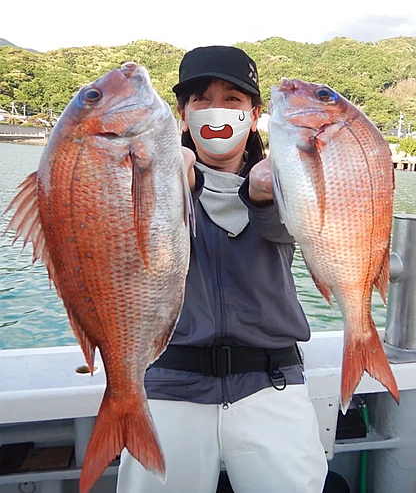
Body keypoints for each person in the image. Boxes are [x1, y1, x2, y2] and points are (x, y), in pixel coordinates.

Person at [116, 45, 328, 493]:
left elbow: (291, 232)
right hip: (169, 381)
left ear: (253, 114)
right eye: (201, 99)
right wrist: (173, 193)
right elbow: (116, 255)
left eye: (232, 99)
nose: (217, 110)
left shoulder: (287, 178)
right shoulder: (139, 182)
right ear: (182, 113)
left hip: (271, 382)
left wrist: (262, 195)